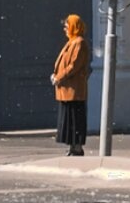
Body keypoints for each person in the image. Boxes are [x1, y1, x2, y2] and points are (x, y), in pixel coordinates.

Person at [51, 13, 91, 155]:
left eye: (67, 26)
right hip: (67, 90)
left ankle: (77, 147)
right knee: (69, 119)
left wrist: (59, 77)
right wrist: (56, 75)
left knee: (75, 119)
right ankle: (72, 146)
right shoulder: (72, 42)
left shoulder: (79, 43)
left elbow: (74, 65)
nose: (65, 29)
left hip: (74, 90)